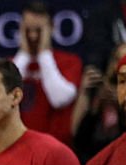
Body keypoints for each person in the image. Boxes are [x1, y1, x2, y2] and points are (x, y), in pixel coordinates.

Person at [13, 1, 82, 146]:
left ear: (51, 28)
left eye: (39, 30)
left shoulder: (70, 62)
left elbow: (59, 99)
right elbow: (5, 95)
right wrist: (24, 53)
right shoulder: (13, 64)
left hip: (57, 146)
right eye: (27, 29)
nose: (32, 36)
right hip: (19, 145)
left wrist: (44, 53)